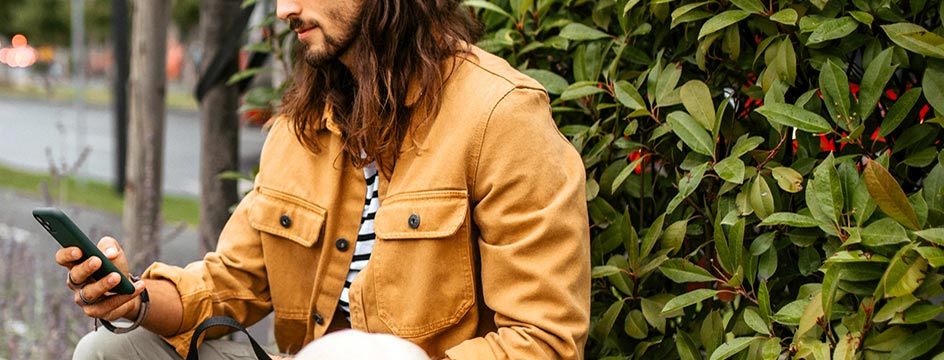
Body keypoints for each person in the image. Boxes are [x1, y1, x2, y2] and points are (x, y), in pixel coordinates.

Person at [57, 0, 590, 358]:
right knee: (111, 349)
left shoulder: (501, 115)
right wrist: (136, 300)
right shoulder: (297, 127)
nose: (286, 9)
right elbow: (233, 283)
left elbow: (543, 339)